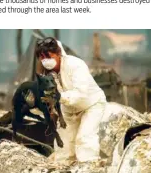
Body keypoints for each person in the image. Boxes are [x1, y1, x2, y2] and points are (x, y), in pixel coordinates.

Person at [35, 37, 106, 165]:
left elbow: (81, 93)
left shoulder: (75, 64)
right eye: (42, 57)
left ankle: (89, 167)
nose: (45, 60)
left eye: (48, 56)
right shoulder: (47, 74)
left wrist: (59, 97)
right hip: (68, 109)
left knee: (85, 138)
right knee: (64, 144)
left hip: (91, 105)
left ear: (58, 53)